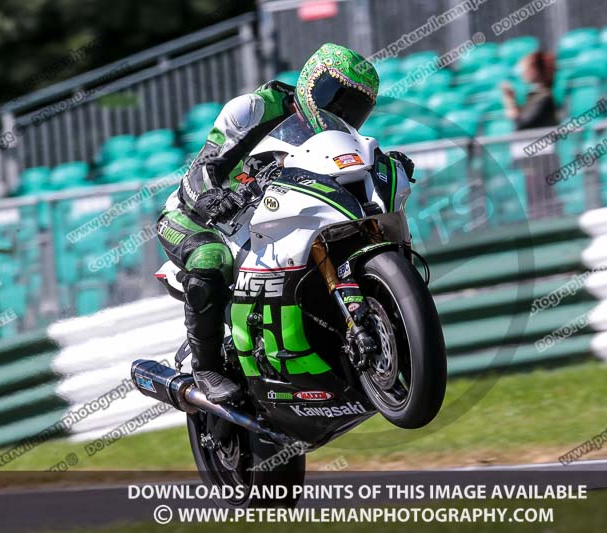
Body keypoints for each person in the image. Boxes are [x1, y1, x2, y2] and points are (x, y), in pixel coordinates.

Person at [155, 43, 415, 404]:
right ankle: (206, 368)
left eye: (353, 107)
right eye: (334, 95)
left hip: (258, 216)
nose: (339, 110)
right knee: (211, 259)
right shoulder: (254, 109)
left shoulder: (334, 136)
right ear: (311, 82)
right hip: (196, 217)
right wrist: (212, 198)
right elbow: (205, 165)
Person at [501, 51, 558, 130]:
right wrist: (512, 97)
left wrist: (510, 103)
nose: (523, 72)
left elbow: (522, 126)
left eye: (526, 69)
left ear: (535, 71)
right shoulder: (534, 95)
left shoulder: (545, 98)